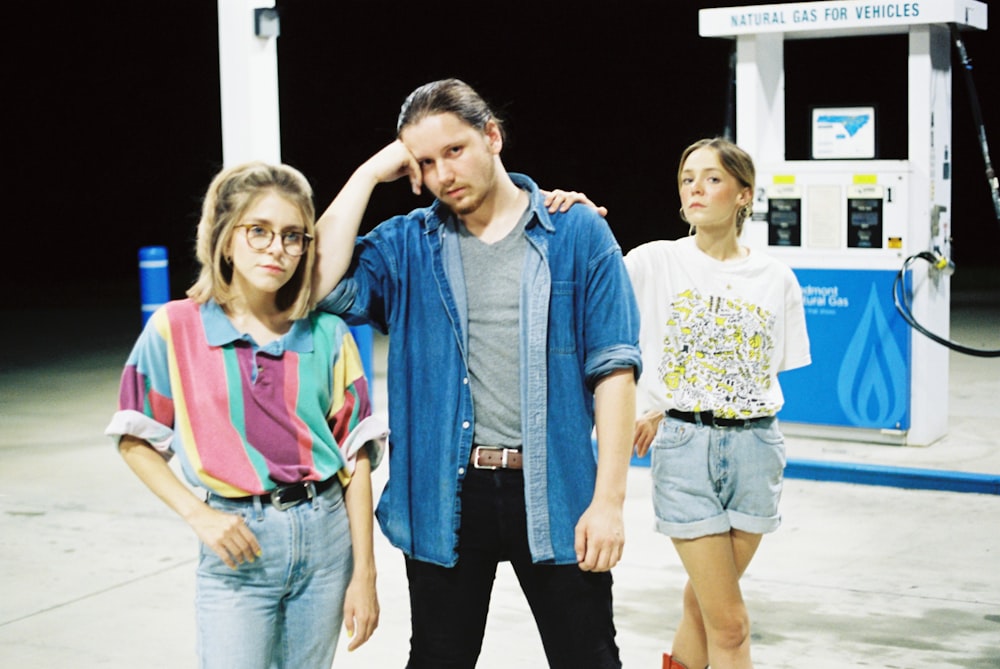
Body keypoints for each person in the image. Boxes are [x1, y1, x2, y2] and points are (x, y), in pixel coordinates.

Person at [312, 78, 641, 669]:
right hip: (446, 491)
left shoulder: (576, 234)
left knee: (589, 657)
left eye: (455, 150)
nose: (442, 173)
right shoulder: (409, 244)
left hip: (557, 490)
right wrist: (367, 173)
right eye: (425, 161)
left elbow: (614, 370)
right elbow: (319, 285)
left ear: (493, 136)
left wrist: (609, 501)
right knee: (439, 657)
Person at [104, 161, 387, 669]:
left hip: (325, 540)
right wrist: (200, 515)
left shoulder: (327, 334)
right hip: (238, 544)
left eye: (293, 236)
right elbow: (134, 437)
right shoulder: (176, 329)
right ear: (225, 239)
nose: (277, 249)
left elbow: (356, 459)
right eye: (258, 231)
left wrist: (364, 573)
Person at [625, 137, 811, 669]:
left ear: (743, 195)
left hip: (757, 448)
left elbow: (759, 370)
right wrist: (660, 403)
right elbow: (591, 296)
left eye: (711, 178)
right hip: (687, 452)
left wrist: (685, 394)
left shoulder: (776, 278)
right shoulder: (654, 260)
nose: (696, 189)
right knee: (730, 624)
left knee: (701, 605)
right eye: (688, 179)